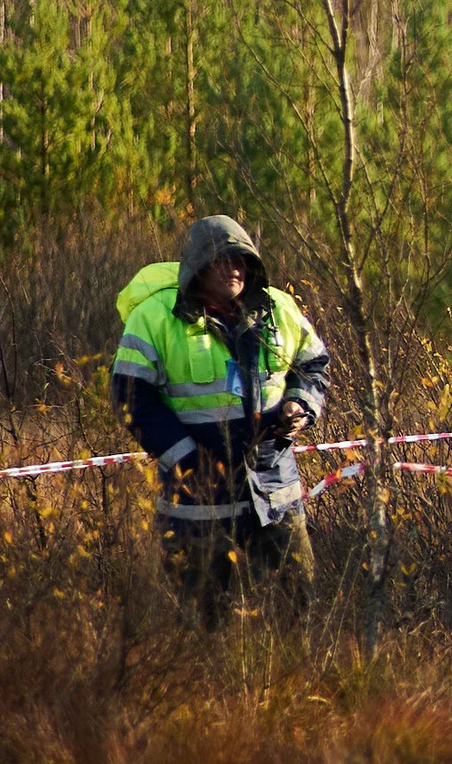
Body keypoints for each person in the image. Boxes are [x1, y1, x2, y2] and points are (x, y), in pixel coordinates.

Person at [111, 216, 331, 623]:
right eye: (220, 260)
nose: (233, 268)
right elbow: (130, 397)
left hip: (272, 492)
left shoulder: (279, 308)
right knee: (201, 622)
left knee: (299, 610)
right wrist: (187, 461)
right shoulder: (155, 318)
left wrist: (300, 404)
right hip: (197, 499)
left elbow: (314, 364)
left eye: (241, 260)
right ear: (196, 266)